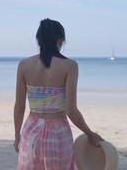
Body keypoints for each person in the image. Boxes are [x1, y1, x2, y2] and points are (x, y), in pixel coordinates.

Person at [14, 18, 103, 169]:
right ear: (59, 39)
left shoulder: (24, 65)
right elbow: (71, 110)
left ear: (39, 39)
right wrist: (89, 133)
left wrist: (17, 136)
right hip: (58, 132)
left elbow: (19, 107)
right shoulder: (70, 66)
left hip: (31, 131)